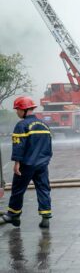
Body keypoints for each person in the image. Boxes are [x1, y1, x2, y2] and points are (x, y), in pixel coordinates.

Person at [1, 96, 53, 228]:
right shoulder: (44, 125)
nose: (16, 112)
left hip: (26, 164)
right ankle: (45, 217)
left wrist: (17, 163)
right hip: (42, 164)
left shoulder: (22, 125)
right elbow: (49, 145)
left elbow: (19, 145)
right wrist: (45, 160)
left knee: (18, 189)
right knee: (43, 188)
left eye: (17, 109)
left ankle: (13, 215)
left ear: (23, 109)